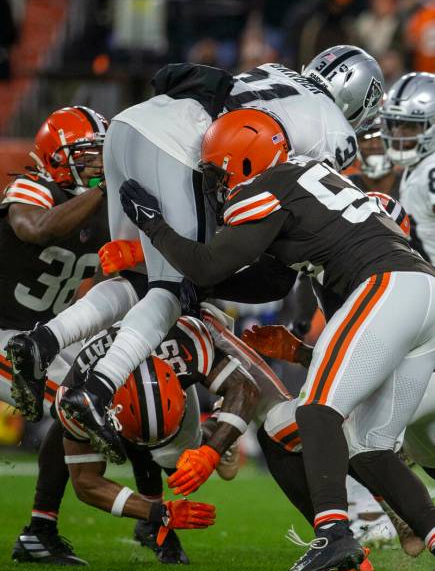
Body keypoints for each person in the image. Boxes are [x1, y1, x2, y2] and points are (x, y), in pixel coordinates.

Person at [8, 47, 385, 462]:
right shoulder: (337, 132)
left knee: (136, 277)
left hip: (129, 125)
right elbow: (300, 199)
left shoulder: (275, 72)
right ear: (359, 97)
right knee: (172, 288)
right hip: (181, 143)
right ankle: (97, 390)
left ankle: (43, 340)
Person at [118, 106, 435, 571]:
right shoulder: (310, 183)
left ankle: (333, 533)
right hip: (419, 294)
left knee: (315, 409)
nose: (219, 183)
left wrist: (154, 226)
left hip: (388, 285)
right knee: (370, 447)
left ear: (244, 160)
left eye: (221, 171)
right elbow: (262, 277)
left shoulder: (269, 185)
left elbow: (209, 263)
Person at [13, 306, 259, 565]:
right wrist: (158, 512)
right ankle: (45, 525)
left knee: (179, 468)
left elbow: (246, 388)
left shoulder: (188, 344)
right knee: (70, 425)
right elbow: (86, 482)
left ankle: (215, 427)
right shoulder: (79, 390)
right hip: (103, 345)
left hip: (168, 320)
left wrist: (212, 452)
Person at [3, 106, 109, 419]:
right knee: (77, 406)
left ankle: (72, 470)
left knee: (102, 391)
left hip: (47, 332)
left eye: (102, 154)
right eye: (88, 156)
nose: (99, 164)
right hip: (4, 330)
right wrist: (103, 190)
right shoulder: (33, 187)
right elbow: (36, 229)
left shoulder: (105, 205)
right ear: (57, 158)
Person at [381, 71, 435, 264]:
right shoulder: (419, 164)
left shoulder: (431, 169)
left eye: (410, 126)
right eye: (395, 124)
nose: (397, 134)